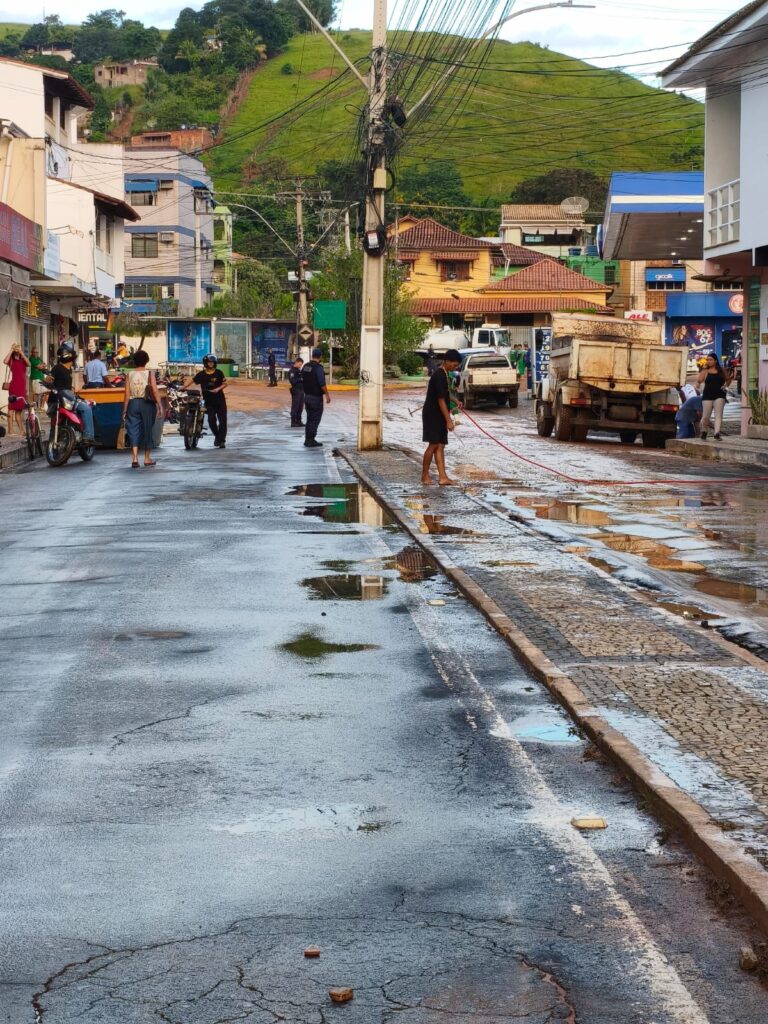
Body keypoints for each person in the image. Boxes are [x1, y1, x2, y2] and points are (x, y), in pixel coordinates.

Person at [421, 348, 461, 486]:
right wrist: (449, 420)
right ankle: (424, 475)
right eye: (454, 365)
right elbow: (441, 400)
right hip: (433, 414)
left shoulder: (445, 374)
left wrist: (455, 401)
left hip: (439, 414)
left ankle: (443, 477)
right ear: (447, 361)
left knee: (440, 445)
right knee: (433, 445)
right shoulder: (438, 375)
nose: (455, 368)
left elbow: (446, 394)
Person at [46, 343, 96, 443]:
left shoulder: (69, 370)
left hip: (67, 398)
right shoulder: (57, 368)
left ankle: (85, 435)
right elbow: (49, 379)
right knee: (86, 408)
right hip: (59, 399)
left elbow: (68, 388)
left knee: (87, 406)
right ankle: (88, 436)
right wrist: (48, 379)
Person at [121, 349, 162, 468]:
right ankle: (147, 458)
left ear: (134, 361)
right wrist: (159, 405)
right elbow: (154, 390)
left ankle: (134, 458)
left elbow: (127, 394)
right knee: (147, 429)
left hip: (133, 403)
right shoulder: (149, 373)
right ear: (146, 361)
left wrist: (125, 410)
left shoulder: (129, 374)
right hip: (147, 404)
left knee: (133, 429)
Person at [186, 354, 228, 448]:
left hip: (220, 399)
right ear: (205, 363)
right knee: (211, 420)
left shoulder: (219, 373)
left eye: (212, 362)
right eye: (209, 362)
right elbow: (192, 381)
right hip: (208, 401)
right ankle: (217, 436)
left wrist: (218, 389)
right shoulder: (201, 374)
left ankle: (222, 441)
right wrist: (184, 387)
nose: (211, 364)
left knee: (223, 421)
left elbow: (225, 383)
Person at [697, 352, 732, 440]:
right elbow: (699, 380)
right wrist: (703, 369)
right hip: (707, 395)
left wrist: (725, 386)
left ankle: (717, 433)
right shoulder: (705, 371)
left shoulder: (722, 370)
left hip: (719, 394)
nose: (709, 361)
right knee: (705, 417)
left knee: (718, 415)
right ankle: (704, 431)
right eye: (707, 360)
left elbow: (728, 379)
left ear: (715, 361)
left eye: (711, 360)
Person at [301, 347, 330, 448]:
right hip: (316, 398)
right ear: (320, 357)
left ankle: (307, 439)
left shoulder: (305, 366)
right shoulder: (318, 368)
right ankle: (311, 440)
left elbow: (302, 379)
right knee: (315, 419)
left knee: (309, 418)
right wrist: (327, 395)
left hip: (307, 396)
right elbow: (322, 383)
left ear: (312, 355)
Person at [3, 344, 30, 435]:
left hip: (22, 388)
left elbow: (29, 363)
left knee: (19, 410)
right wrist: (11, 349)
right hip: (14, 387)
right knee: (11, 408)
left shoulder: (23, 360)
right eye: (16, 347)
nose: (17, 349)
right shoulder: (11, 360)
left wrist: (21, 352)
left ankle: (22, 431)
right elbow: (4, 361)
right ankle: (10, 430)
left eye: (18, 347)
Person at [288, 356, 304, 427]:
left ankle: (299, 421)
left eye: (301, 365)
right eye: (300, 364)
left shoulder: (298, 370)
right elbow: (293, 381)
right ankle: (293, 421)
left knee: (300, 406)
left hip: (301, 390)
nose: (300, 366)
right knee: (295, 406)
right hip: (296, 390)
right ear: (296, 362)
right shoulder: (292, 371)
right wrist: (300, 379)